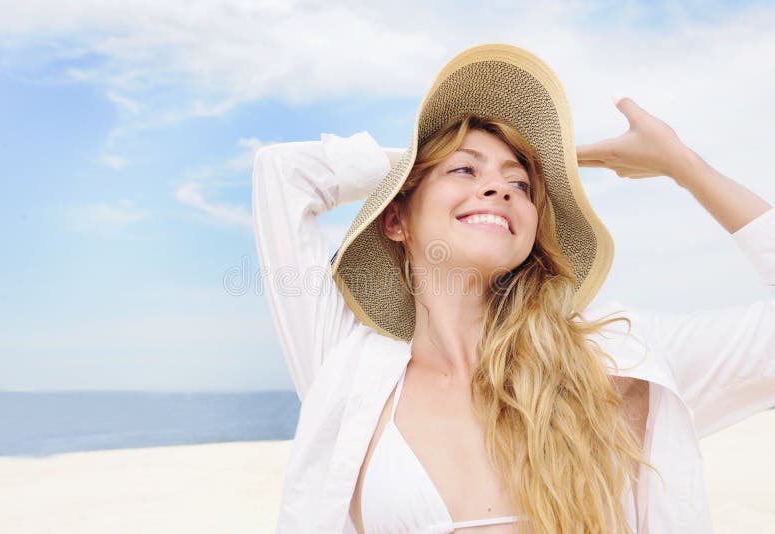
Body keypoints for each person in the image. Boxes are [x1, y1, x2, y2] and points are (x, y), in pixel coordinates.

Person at [252, 43, 774, 533]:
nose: (500, 186)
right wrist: (411, 163)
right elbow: (281, 174)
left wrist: (682, 165)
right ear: (396, 222)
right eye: (464, 169)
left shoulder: (615, 357)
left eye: (520, 183)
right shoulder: (346, 367)